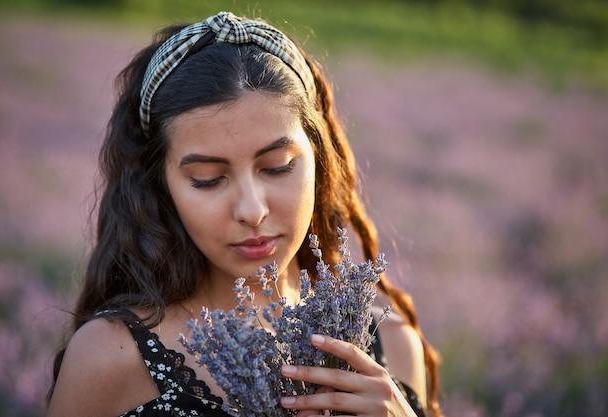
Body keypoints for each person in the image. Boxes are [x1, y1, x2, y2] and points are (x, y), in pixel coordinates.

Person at [47, 11, 443, 417]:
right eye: (207, 179)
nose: (252, 211)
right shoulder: (110, 358)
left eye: (277, 167)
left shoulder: (390, 342)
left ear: (318, 159)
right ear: (161, 185)